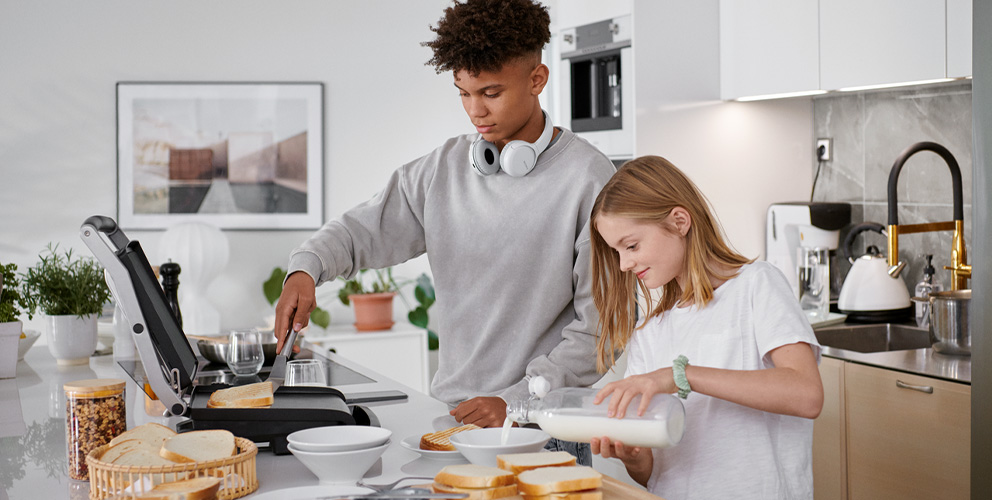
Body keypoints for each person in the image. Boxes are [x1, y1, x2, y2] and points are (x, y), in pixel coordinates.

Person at [273, 0, 615, 464]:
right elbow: (362, 229)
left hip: (541, 427)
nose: (476, 111)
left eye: (491, 92)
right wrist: (306, 269)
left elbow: (602, 328)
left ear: (537, 79)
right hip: (454, 417)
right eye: (464, 93)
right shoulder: (444, 168)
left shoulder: (590, 178)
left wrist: (516, 400)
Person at [586, 156, 824, 499]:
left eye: (632, 246)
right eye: (616, 252)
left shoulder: (756, 287)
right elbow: (657, 471)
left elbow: (807, 394)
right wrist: (634, 459)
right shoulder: (649, 333)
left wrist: (680, 375)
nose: (624, 264)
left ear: (679, 221)